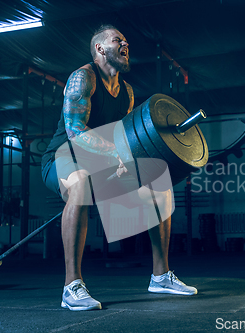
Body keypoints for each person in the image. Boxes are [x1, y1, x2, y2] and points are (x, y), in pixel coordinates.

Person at [41, 24, 197, 311]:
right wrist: (116, 155)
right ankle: (71, 286)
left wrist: (127, 161)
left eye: (126, 41)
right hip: (63, 157)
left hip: (100, 159)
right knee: (81, 183)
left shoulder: (127, 91)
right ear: (100, 49)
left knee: (157, 182)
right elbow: (75, 130)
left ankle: (160, 276)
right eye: (118, 40)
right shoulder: (82, 78)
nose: (125, 44)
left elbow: (121, 136)